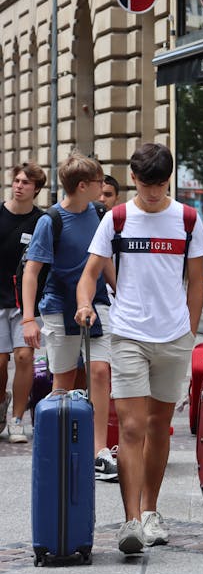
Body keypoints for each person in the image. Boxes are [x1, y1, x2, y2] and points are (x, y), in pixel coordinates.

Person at [75, 143, 203, 556]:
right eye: (146, 185)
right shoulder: (117, 218)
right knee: (131, 428)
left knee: (159, 426)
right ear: (133, 178)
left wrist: (188, 331)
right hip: (128, 333)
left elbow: (197, 281)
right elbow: (90, 273)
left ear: (168, 181)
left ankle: (151, 509)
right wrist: (84, 304)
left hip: (172, 338)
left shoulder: (187, 219)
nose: (153, 194)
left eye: (161, 185)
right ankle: (131, 521)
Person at [22, 153, 117, 481]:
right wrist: (28, 318)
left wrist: (121, 293)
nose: (103, 187)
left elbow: (104, 262)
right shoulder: (51, 220)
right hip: (59, 307)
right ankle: (59, 443)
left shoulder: (100, 213)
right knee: (62, 379)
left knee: (100, 372)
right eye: (98, 182)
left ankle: (99, 451)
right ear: (82, 186)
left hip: (98, 303)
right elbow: (32, 271)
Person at [0, 162, 47, 442]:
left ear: (36, 189)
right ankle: (1, 404)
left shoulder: (41, 221)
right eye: (16, 181)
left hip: (25, 302)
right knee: (0, 362)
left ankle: (17, 419)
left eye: (26, 183)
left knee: (24, 356)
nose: (19, 186)